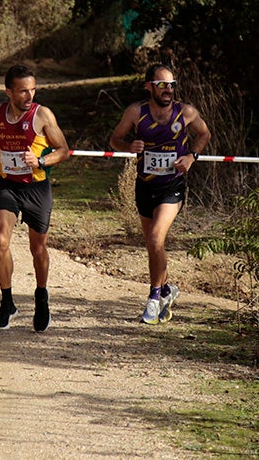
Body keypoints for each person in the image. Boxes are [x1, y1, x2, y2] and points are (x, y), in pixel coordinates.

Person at [109, 63, 211, 324]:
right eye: (162, 85)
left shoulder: (185, 112)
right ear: (149, 87)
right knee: (153, 246)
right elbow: (114, 140)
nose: (168, 90)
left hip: (172, 186)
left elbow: (204, 134)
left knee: (155, 238)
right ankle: (167, 289)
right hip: (145, 185)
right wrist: (129, 145)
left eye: (172, 85)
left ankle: (154, 298)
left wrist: (192, 156)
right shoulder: (136, 112)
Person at [0, 64, 71, 332]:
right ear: (9, 92)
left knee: (37, 249)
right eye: (23, 91)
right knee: (0, 240)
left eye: (33, 90)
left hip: (36, 188)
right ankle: (7, 303)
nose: (29, 96)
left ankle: (42, 297)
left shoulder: (43, 116)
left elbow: (64, 150)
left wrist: (40, 160)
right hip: (8, 186)